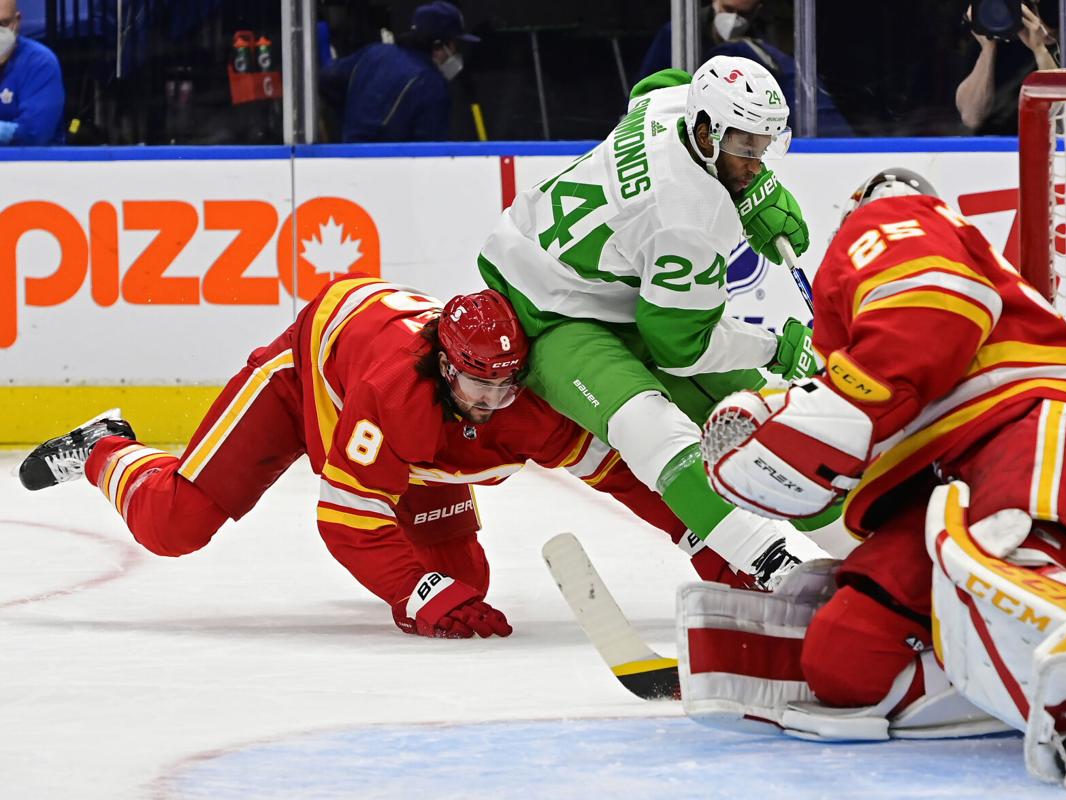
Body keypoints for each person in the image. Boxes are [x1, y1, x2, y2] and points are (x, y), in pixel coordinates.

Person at [700, 168, 1066, 785]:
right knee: (849, 649)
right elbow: (871, 416)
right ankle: (1039, 684)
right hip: (947, 473)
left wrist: (825, 417)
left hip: (1032, 417)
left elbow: (931, 310)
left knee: (998, 566)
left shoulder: (889, 218)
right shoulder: (857, 318)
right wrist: (797, 430)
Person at [19, 276, 742, 639]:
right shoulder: (399, 394)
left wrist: (702, 535)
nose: (490, 400)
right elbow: (346, 519)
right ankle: (105, 447)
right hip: (309, 382)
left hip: (408, 447)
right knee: (174, 523)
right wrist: (417, 595)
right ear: (442, 361)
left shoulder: (519, 400)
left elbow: (619, 472)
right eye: (476, 382)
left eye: (503, 383)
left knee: (465, 579)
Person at [477, 55, 835, 594]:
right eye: (746, 147)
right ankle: (771, 562)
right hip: (548, 311)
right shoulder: (689, 216)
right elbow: (682, 350)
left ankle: (867, 545)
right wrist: (775, 348)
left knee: (756, 416)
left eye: (766, 147)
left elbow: (656, 83)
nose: (757, 162)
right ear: (707, 130)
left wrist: (753, 190)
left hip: (617, 288)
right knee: (650, 427)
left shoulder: (673, 103)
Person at [636, 0, 852, 137]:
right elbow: (646, 90)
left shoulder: (766, 44)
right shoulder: (678, 34)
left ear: (756, 9)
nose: (732, 20)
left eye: (743, 14)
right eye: (728, 10)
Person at [318, 1, 474, 142]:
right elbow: (429, 155)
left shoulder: (373, 54)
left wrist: (351, 116)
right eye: (455, 46)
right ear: (438, 46)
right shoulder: (432, 84)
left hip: (347, 163)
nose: (456, 54)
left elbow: (324, 79)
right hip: (395, 169)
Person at [955, 1, 1058, 134]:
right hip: (996, 146)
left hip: (1045, 141)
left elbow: (1062, 110)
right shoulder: (986, 46)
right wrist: (988, 48)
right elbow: (971, 117)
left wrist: (1039, 50)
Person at [0, 0, 65, 146]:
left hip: (33, 166)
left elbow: (34, 133)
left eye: (3, 24)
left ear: (17, 21)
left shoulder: (40, 63)